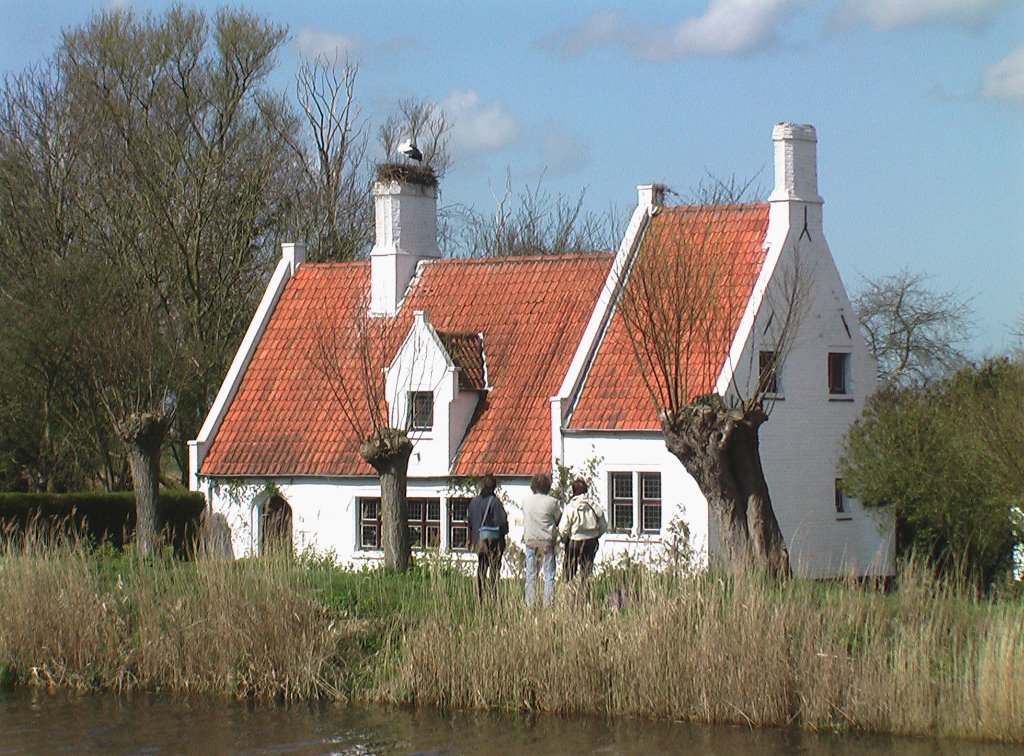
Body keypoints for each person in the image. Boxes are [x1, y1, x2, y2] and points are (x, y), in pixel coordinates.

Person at [557, 477, 608, 601]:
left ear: (573, 491)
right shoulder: (594, 505)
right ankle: (585, 598)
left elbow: (563, 529)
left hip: (575, 541)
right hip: (591, 541)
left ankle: (570, 598)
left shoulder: (570, 507)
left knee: (569, 572)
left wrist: (564, 540)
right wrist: (596, 535)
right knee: (586, 572)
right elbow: (604, 525)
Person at [521, 473, 561, 608]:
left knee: (530, 576)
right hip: (547, 542)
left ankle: (530, 604)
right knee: (549, 576)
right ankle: (547, 605)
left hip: (531, 541)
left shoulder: (526, 501)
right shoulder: (552, 502)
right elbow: (558, 519)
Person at [467, 473, 508, 600]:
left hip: (479, 541)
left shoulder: (473, 502)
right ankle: (493, 596)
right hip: (493, 542)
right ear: (494, 486)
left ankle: (480, 595)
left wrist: (471, 539)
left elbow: (469, 522)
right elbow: (501, 522)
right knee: (494, 569)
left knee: (482, 567)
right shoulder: (495, 502)